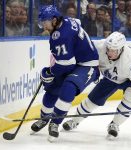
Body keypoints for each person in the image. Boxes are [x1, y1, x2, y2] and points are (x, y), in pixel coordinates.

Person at [30, 5, 99, 142]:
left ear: (54, 20)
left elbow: (68, 63)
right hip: (74, 61)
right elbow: (78, 23)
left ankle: (55, 122)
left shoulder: (61, 36)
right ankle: (44, 118)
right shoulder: (66, 21)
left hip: (87, 65)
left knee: (69, 86)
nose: (44, 26)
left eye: (45, 22)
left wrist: (50, 72)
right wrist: (52, 75)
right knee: (52, 88)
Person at [62, 31, 131, 140]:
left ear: (121, 49)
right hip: (110, 79)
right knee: (92, 100)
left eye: (114, 51)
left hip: (129, 80)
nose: (110, 53)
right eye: (109, 49)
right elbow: (81, 47)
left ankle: (115, 124)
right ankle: (75, 120)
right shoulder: (100, 46)